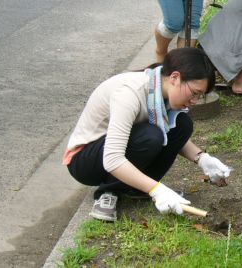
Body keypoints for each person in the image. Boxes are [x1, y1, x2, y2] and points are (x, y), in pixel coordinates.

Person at [63, 47, 232, 222]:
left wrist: (203, 159)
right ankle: (109, 192)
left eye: (199, 96)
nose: (194, 101)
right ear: (175, 77)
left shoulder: (160, 92)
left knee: (182, 124)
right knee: (151, 136)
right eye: (194, 93)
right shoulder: (130, 93)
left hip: (113, 151)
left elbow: (171, 132)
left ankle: (137, 189)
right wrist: (158, 189)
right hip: (84, 159)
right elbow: (112, 159)